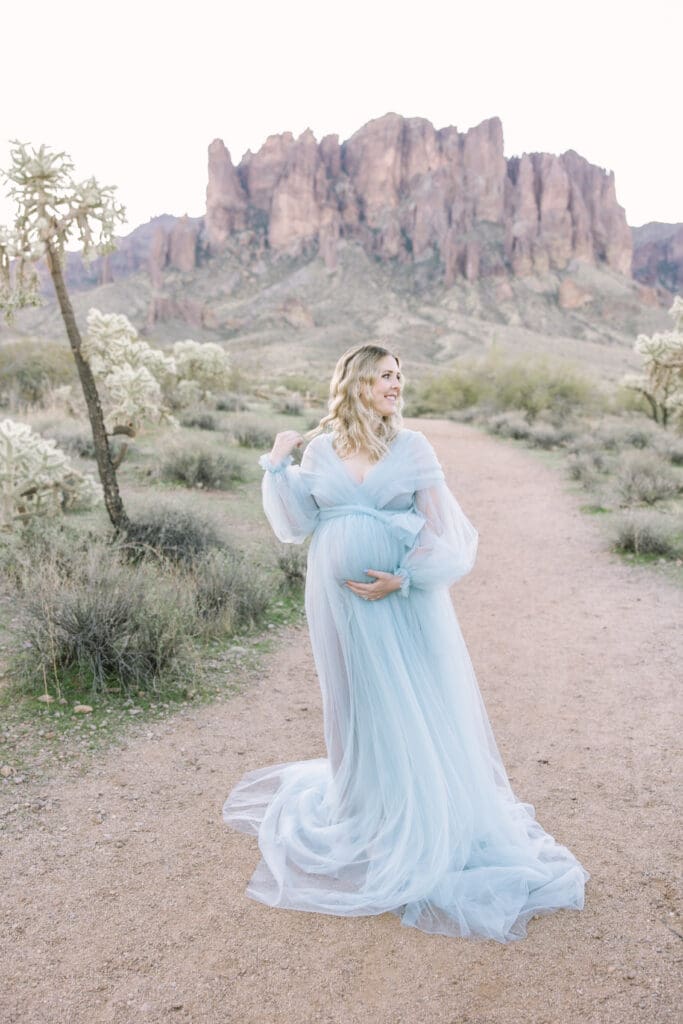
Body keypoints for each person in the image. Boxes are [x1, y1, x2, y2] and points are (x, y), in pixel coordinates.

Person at [222, 343, 589, 942]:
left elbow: (449, 534)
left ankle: (421, 816)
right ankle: (359, 808)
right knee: (350, 700)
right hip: (335, 599)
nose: (396, 384)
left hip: (399, 598)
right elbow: (296, 525)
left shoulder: (414, 447)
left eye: (400, 375)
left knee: (409, 701)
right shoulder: (320, 449)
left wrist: (406, 577)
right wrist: (277, 464)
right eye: (385, 375)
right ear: (358, 382)